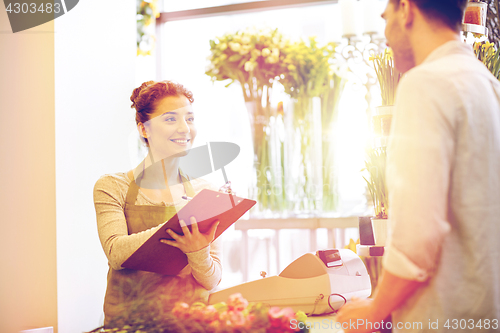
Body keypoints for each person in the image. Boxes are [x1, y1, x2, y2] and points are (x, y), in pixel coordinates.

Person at [337, 0, 500, 332]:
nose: (385, 33)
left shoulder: (424, 84)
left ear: (406, 10)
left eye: (385, 18)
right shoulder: (487, 84)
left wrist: (373, 311)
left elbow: (418, 236)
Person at [93, 80, 222, 327]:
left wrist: (198, 251)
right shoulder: (112, 186)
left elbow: (213, 280)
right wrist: (180, 225)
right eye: (171, 119)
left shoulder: (206, 192)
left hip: (190, 325)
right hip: (129, 325)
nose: (185, 128)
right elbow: (116, 253)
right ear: (144, 129)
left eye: (190, 119)